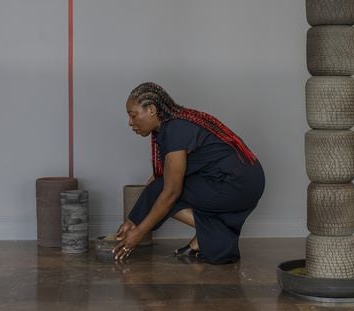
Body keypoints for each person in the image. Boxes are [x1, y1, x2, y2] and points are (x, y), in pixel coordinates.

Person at [112, 82, 265, 264]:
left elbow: (170, 193)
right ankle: (201, 241)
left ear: (151, 109)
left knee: (164, 192)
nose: (130, 122)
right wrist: (133, 219)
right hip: (246, 180)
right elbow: (164, 175)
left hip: (236, 184)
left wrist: (138, 232)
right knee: (157, 188)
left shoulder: (175, 130)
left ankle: (218, 237)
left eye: (133, 115)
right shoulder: (174, 124)